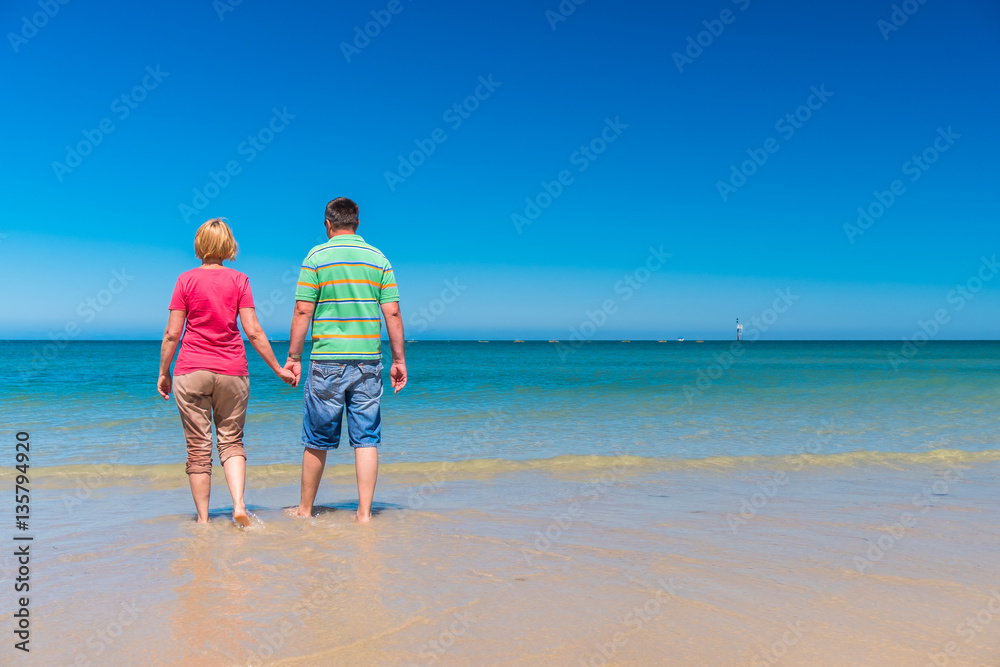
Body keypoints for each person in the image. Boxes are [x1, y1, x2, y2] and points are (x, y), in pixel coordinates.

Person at [157, 218, 295, 526]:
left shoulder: (185, 280)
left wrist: (164, 372)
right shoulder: (240, 280)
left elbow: (171, 334)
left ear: (199, 245)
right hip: (232, 370)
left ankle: (204, 521)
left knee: (198, 448)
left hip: (191, 369)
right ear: (228, 245)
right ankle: (238, 506)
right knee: (231, 442)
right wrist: (277, 369)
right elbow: (254, 331)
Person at [283, 197, 406, 523]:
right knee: (366, 439)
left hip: (327, 361)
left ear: (328, 224)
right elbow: (392, 311)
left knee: (317, 439)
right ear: (357, 223)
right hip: (368, 361)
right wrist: (399, 360)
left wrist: (294, 356)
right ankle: (364, 514)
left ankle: (306, 510)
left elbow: (302, 310)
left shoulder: (316, 257)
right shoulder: (379, 259)